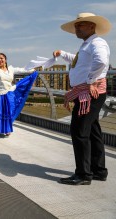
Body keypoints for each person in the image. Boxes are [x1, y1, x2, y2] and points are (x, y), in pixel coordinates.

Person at [55, 12, 111, 186]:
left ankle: (83, 174)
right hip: (87, 92)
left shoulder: (97, 42)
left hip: (89, 93)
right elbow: (78, 62)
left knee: (79, 131)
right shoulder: (87, 45)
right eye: (76, 25)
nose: (76, 28)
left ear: (92, 26)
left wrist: (90, 81)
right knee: (92, 131)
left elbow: (101, 62)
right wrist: (62, 53)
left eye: (80, 25)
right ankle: (99, 171)